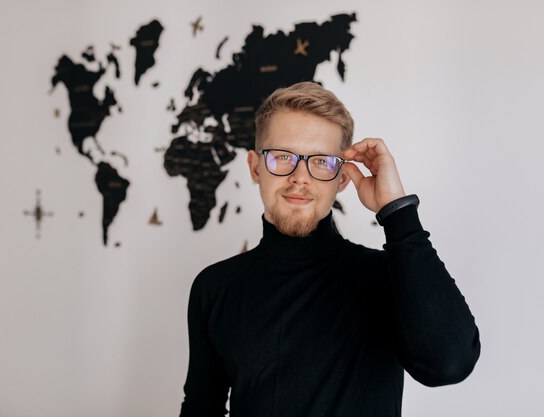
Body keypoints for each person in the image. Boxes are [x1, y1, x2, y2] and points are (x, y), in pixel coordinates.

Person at [179, 81, 481, 417]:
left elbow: (450, 363)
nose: (299, 178)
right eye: (282, 157)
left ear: (341, 178)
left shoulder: (386, 278)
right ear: (255, 167)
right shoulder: (214, 288)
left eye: (321, 162)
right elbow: (200, 409)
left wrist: (397, 211)